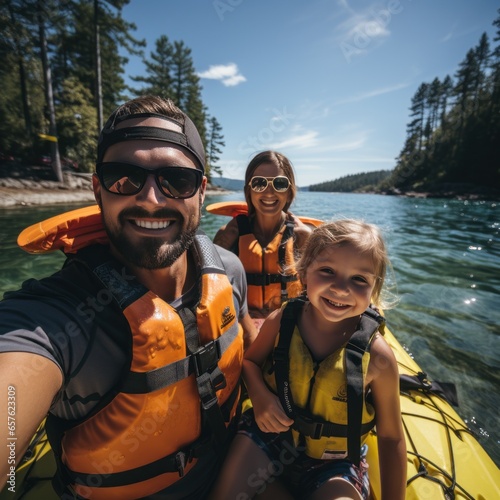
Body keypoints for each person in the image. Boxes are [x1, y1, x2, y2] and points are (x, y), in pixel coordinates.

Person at [0, 95, 257, 499]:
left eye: (177, 180)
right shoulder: (52, 319)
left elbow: (250, 349)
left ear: (201, 191)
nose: (152, 199)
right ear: (98, 189)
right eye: (124, 177)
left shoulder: (230, 271)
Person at [210, 220, 407, 500]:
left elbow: (390, 438)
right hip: (269, 440)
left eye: (359, 279)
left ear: (375, 287)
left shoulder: (378, 357)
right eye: (327, 271)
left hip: (335, 463)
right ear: (303, 273)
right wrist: (261, 397)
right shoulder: (281, 321)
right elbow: (250, 363)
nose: (341, 289)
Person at [213, 151, 312, 328]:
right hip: (243, 324)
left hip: (289, 326)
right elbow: (210, 288)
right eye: (259, 183)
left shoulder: (302, 236)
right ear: (248, 191)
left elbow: (319, 290)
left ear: (289, 193)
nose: (269, 192)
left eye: (280, 184)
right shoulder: (229, 235)